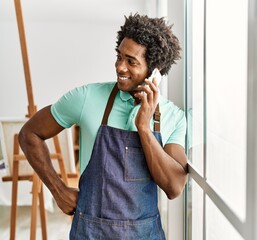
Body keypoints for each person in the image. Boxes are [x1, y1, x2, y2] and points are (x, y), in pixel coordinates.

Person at [19, 13, 188, 239]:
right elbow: (29, 133)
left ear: (154, 71)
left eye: (131, 61)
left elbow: (174, 187)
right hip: (89, 233)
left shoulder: (173, 117)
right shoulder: (86, 97)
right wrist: (58, 190)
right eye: (119, 57)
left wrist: (144, 128)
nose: (120, 67)